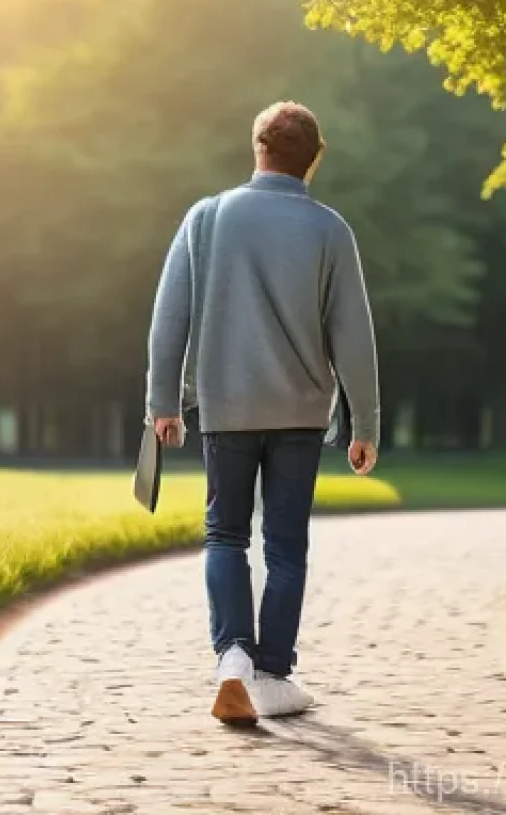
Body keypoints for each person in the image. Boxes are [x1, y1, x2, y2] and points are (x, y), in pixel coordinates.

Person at [145, 101, 379, 725]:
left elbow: (170, 315)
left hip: (226, 408)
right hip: (301, 413)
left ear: (258, 147)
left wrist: (163, 403)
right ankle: (273, 674)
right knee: (285, 546)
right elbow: (353, 335)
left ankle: (232, 660)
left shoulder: (207, 217)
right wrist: (365, 425)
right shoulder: (331, 230)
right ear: (313, 160)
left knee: (225, 534)